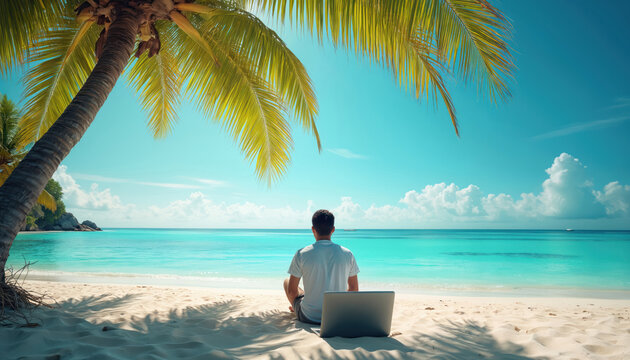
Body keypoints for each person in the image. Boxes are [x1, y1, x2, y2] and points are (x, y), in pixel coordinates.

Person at [283, 209, 359, 324]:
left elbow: (292, 291)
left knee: (287, 281)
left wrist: (296, 304)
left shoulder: (302, 254)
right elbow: (354, 289)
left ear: (313, 229)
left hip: (308, 316)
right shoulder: (347, 254)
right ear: (333, 230)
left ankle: (297, 309)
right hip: (337, 316)